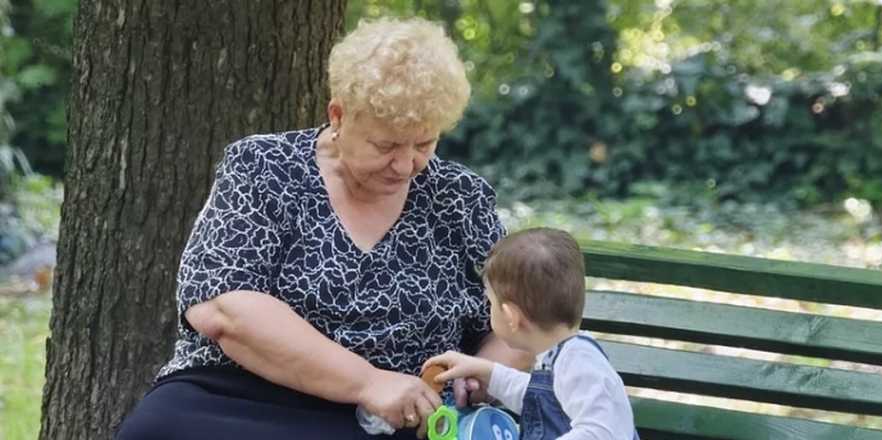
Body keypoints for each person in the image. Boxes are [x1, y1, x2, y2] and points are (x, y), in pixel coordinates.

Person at [117, 17, 531, 440]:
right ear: (339, 115)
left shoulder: (459, 198)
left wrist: (482, 380)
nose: (406, 166)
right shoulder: (263, 168)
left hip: (401, 419)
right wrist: (368, 382)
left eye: (424, 144)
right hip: (245, 395)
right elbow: (224, 309)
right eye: (386, 146)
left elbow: (515, 323)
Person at [425, 228, 639, 440]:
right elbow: (539, 400)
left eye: (490, 303)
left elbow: (601, 432)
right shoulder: (559, 358)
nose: (489, 309)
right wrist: (487, 371)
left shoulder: (580, 362)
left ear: (511, 316)